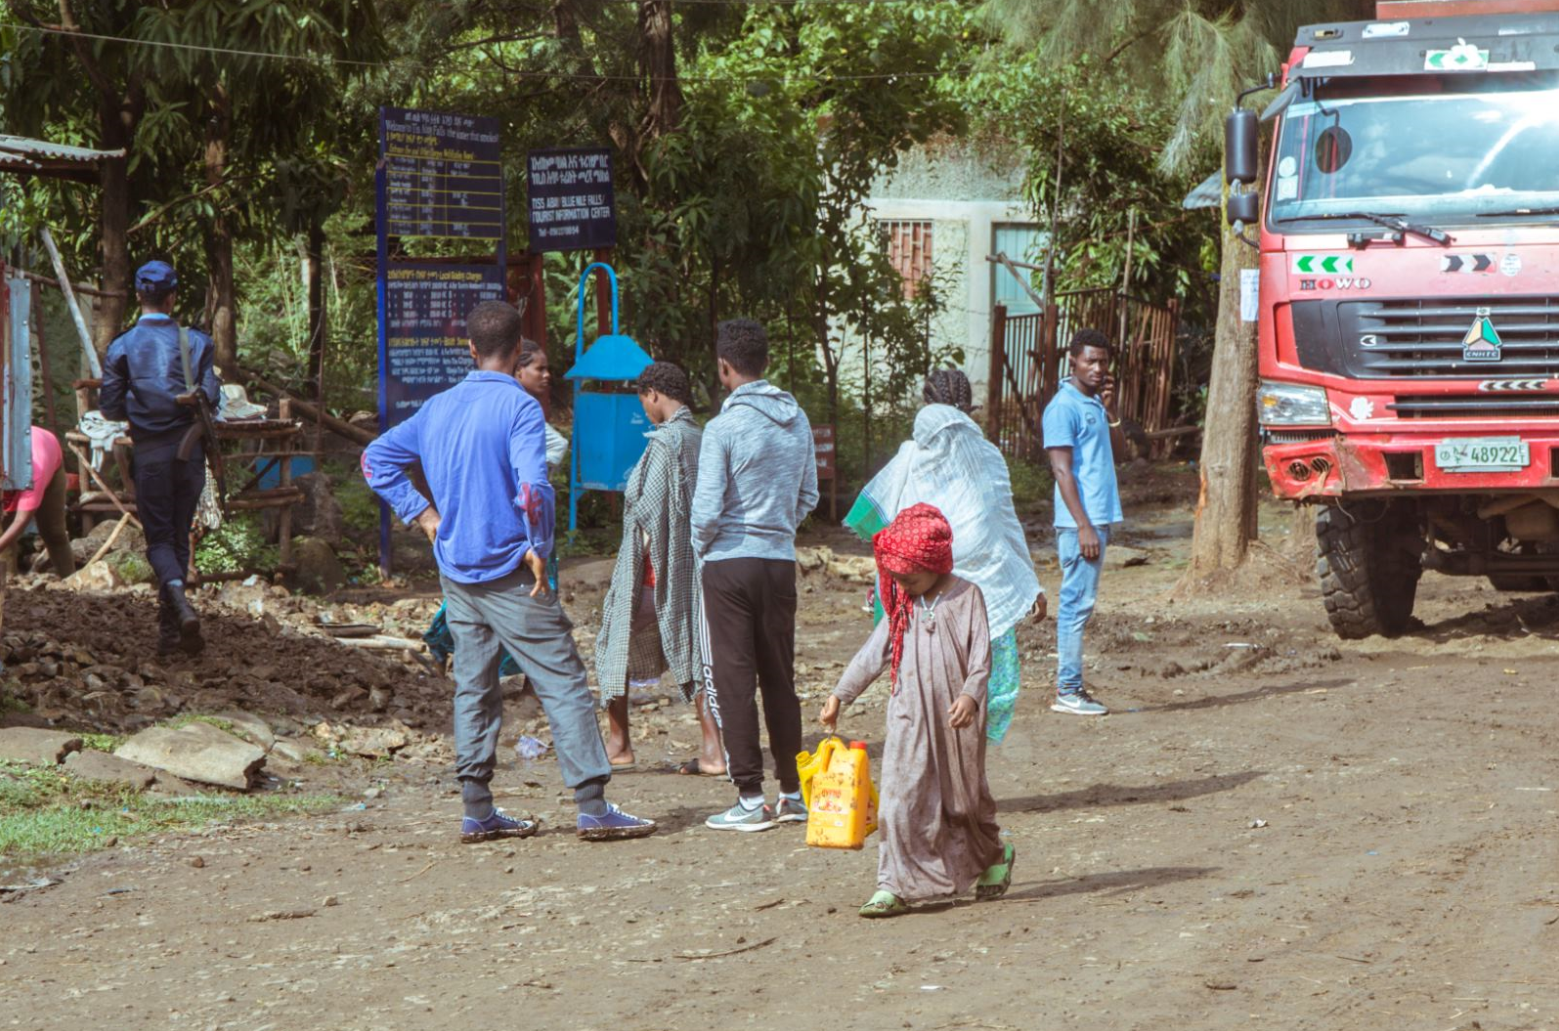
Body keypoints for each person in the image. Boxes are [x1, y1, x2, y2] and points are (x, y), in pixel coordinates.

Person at [362, 299, 655, 844]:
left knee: (473, 685)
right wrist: (539, 544)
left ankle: (478, 809)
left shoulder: (437, 408)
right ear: (518, 350)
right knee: (562, 679)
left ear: (470, 350)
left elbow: (375, 459)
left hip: (457, 571)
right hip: (512, 570)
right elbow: (532, 487)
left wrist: (424, 515)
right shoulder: (520, 408)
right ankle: (592, 804)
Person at [820, 503, 1012, 918]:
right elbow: (873, 654)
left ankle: (994, 855)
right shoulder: (900, 605)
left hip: (956, 720)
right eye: (898, 580)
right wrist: (841, 694)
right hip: (908, 716)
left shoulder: (966, 597)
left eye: (910, 578)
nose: (903, 586)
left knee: (963, 802)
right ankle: (892, 883)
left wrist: (970, 696)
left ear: (936, 564)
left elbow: (981, 659)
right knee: (898, 799)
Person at [844, 368, 1043, 744]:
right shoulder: (987, 455)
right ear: (970, 408)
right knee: (980, 682)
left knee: (923, 680)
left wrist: (884, 578)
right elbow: (1005, 524)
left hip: (923, 592)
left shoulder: (911, 456)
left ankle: (937, 763)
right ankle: (964, 764)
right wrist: (1030, 583)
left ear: (926, 404)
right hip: (984, 591)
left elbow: (885, 525)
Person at [692, 318, 818, 831]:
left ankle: (749, 798)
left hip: (729, 563)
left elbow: (704, 512)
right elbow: (807, 494)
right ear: (765, 362)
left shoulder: (721, 428)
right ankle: (791, 792)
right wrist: (778, 529)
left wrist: (704, 550)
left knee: (734, 679)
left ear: (725, 368)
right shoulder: (798, 418)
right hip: (779, 562)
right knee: (779, 678)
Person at [593, 362, 723, 775]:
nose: (646, 411)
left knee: (611, 642)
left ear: (652, 395)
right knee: (694, 649)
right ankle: (713, 748)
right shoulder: (701, 438)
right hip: (698, 568)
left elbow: (645, 512)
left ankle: (619, 744)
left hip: (655, 570)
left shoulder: (664, 444)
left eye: (644, 402)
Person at [100, 260, 221, 657]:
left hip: (150, 455)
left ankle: (178, 611)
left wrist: (142, 405)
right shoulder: (198, 343)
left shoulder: (121, 346)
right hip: (190, 454)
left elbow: (111, 408)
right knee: (179, 534)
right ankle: (173, 632)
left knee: (159, 541)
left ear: (138, 296)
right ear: (172, 298)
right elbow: (212, 399)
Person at [1041, 328, 1125, 717]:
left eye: (1103, 361)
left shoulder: (1093, 404)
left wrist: (1111, 413)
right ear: (1072, 361)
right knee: (1075, 606)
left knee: (1082, 605)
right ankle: (1069, 690)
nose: (1097, 368)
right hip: (1081, 524)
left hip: (1098, 519)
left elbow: (1120, 453)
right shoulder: (1063, 407)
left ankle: (1071, 687)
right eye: (1090, 360)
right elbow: (1061, 471)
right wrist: (1083, 525)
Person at [0, 427, 75, 579]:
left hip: (49, 456)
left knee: (53, 532)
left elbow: (20, 520)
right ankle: (10, 586)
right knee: (3, 529)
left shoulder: (34, 473)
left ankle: (71, 583)